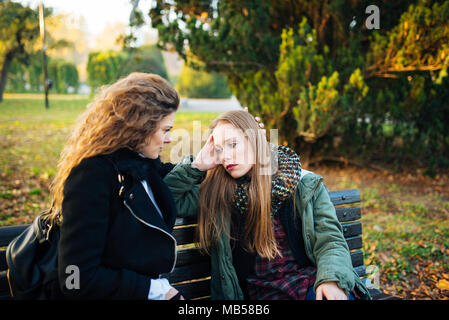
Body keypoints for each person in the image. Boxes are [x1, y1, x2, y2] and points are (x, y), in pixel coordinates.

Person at [164, 110, 371, 300]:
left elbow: (330, 239)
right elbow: (167, 200)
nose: (225, 156)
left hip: (311, 283)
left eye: (233, 144)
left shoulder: (301, 184)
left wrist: (331, 279)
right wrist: (198, 164)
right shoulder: (216, 193)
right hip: (261, 294)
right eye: (219, 149)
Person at [44, 72, 184, 299]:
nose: (169, 139)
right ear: (140, 127)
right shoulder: (91, 177)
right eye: (165, 130)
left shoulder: (141, 163)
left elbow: (172, 176)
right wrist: (155, 290)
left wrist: (232, 142)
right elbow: (75, 279)